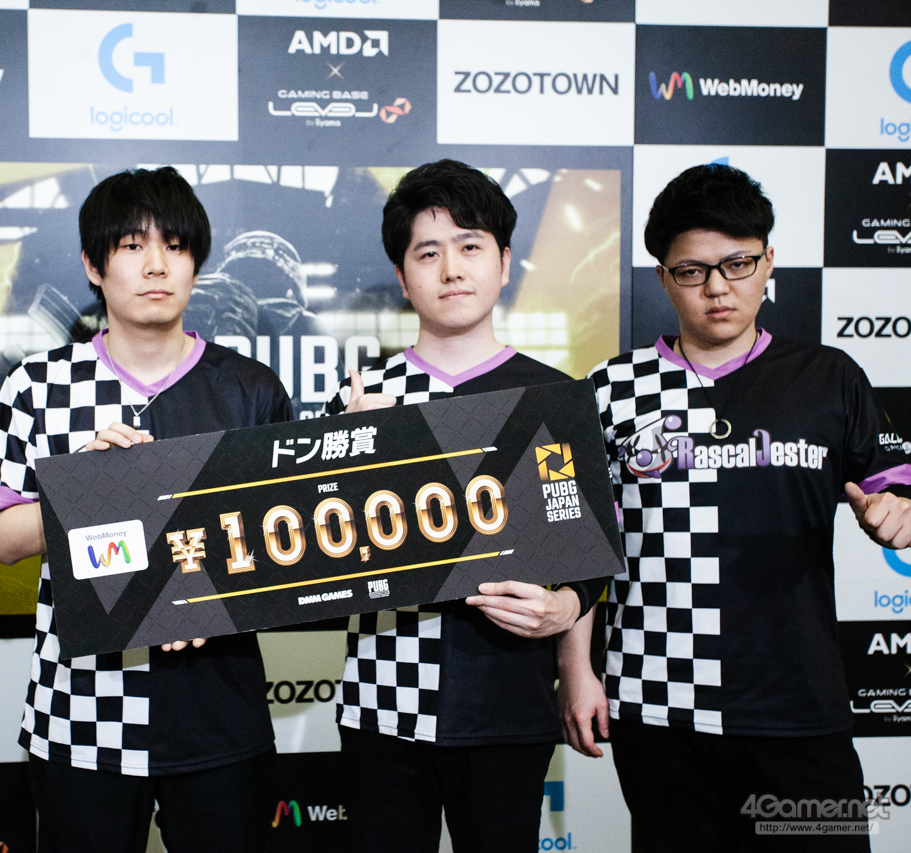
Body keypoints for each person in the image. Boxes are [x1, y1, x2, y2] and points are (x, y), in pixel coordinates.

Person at [564, 163, 911, 852]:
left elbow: (892, 490)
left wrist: (897, 513)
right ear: (663, 278)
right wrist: (577, 670)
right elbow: (580, 546)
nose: (718, 288)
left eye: (738, 264)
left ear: (768, 261)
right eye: (692, 271)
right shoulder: (612, 389)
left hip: (798, 706)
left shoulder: (829, 377)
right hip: (659, 706)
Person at [0, 167, 293, 853]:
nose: (156, 265)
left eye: (175, 246)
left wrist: (213, 595)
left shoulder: (250, 389)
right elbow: (2, 538)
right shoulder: (37, 386)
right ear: (94, 265)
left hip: (218, 714)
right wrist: (84, 490)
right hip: (81, 713)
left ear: (197, 263)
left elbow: (280, 546)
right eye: (131, 246)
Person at [321, 159, 609, 853]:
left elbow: (582, 551)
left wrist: (570, 625)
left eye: (470, 245)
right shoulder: (361, 401)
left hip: (510, 704)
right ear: (402, 277)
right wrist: (355, 460)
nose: (451, 269)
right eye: (428, 253)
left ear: (504, 262)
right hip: (384, 703)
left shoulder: (555, 399)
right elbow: (318, 565)